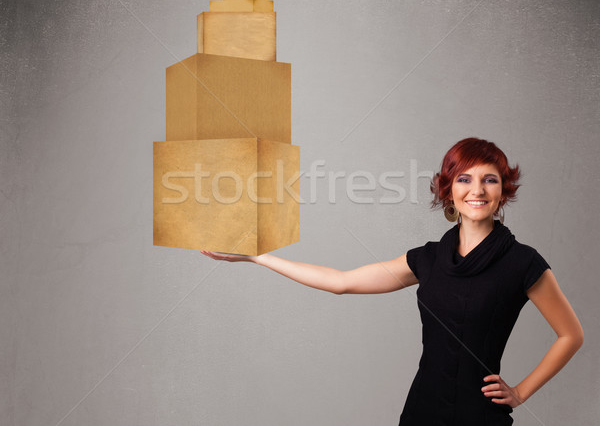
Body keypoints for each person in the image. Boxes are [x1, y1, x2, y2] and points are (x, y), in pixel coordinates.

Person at [201, 137, 584, 425]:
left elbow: (571, 335)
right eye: (465, 179)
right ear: (449, 189)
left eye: (491, 180)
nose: (477, 190)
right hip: (421, 411)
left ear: (503, 192)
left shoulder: (523, 262)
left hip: (479, 416)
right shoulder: (428, 258)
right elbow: (342, 281)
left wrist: (520, 392)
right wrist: (257, 256)